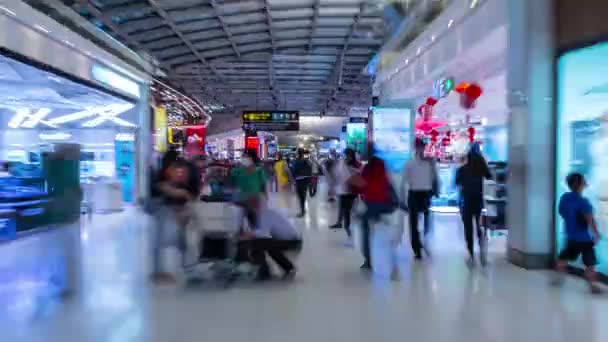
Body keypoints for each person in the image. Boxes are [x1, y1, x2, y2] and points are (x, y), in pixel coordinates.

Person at [151, 157, 201, 284]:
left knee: (182, 240)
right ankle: (158, 272)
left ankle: (188, 268)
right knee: (161, 240)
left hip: (179, 209)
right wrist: (177, 193)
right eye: (176, 171)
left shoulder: (191, 179)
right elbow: (161, 188)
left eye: (182, 173)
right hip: (162, 207)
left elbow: (191, 198)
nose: (179, 174)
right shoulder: (165, 176)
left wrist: (185, 211)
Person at [553, 173, 602, 294]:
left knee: (563, 258)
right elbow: (590, 219)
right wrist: (596, 233)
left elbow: (561, 212)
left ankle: (559, 279)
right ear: (581, 184)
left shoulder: (565, 198)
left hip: (571, 237)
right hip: (584, 239)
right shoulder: (583, 202)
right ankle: (592, 286)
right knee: (589, 263)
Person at [353, 151, 397, 269]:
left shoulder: (366, 169)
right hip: (384, 204)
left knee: (365, 230)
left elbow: (360, 186)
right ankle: (392, 260)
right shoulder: (382, 168)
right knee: (384, 232)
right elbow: (389, 185)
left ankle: (368, 261)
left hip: (370, 203)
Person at [241, 203, 302, 280]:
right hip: (289, 239)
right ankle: (289, 268)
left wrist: (248, 235)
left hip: (293, 241)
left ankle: (263, 271)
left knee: (258, 243)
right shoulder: (260, 213)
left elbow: (263, 233)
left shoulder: (265, 214)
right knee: (269, 247)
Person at [401, 138, 438, 260]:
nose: (421, 149)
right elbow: (404, 180)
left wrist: (435, 190)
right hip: (414, 193)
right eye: (419, 146)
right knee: (414, 222)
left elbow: (434, 177)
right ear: (415, 148)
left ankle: (423, 242)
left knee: (426, 221)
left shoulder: (429, 162)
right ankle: (417, 248)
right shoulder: (410, 163)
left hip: (425, 193)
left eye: (422, 146)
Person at [455, 143, 492, 265]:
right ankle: (482, 250)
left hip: (466, 201)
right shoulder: (481, 167)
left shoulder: (462, 170)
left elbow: (457, 182)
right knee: (479, 226)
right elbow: (489, 176)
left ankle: (471, 254)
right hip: (478, 200)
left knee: (468, 228)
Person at [229, 150, 267, 230]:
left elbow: (263, 185)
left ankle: (254, 237)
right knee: (238, 224)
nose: (244, 158)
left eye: (246, 156)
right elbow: (230, 184)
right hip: (240, 200)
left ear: (252, 158)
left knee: (254, 223)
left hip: (254, 200)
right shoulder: (237, 171)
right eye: (243, 156)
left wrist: (265, 197)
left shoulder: (259, 171)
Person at [330, 148, 362, 238]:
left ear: (352, 155)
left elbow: (361, 174)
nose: (347, 156)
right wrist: (333, 186)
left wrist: (353, 170)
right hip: (342, 190)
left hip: (351, 190)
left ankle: (347, 227)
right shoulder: (341, 162)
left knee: (347, 210)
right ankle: (341, 224)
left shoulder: (357, 164)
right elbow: (336, 174)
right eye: (346, 154)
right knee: (342, 207)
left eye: (348, 155)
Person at [292, 148, 313, 218]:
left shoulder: (296, 161)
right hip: (305, 180)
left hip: (299, 181)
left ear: (298, 153)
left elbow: (294, 170)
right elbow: (310, 170)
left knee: (301, 196)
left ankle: (302, 211)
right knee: (303, 196)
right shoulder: (307, 161)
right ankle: (303, 210)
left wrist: (293, 179)